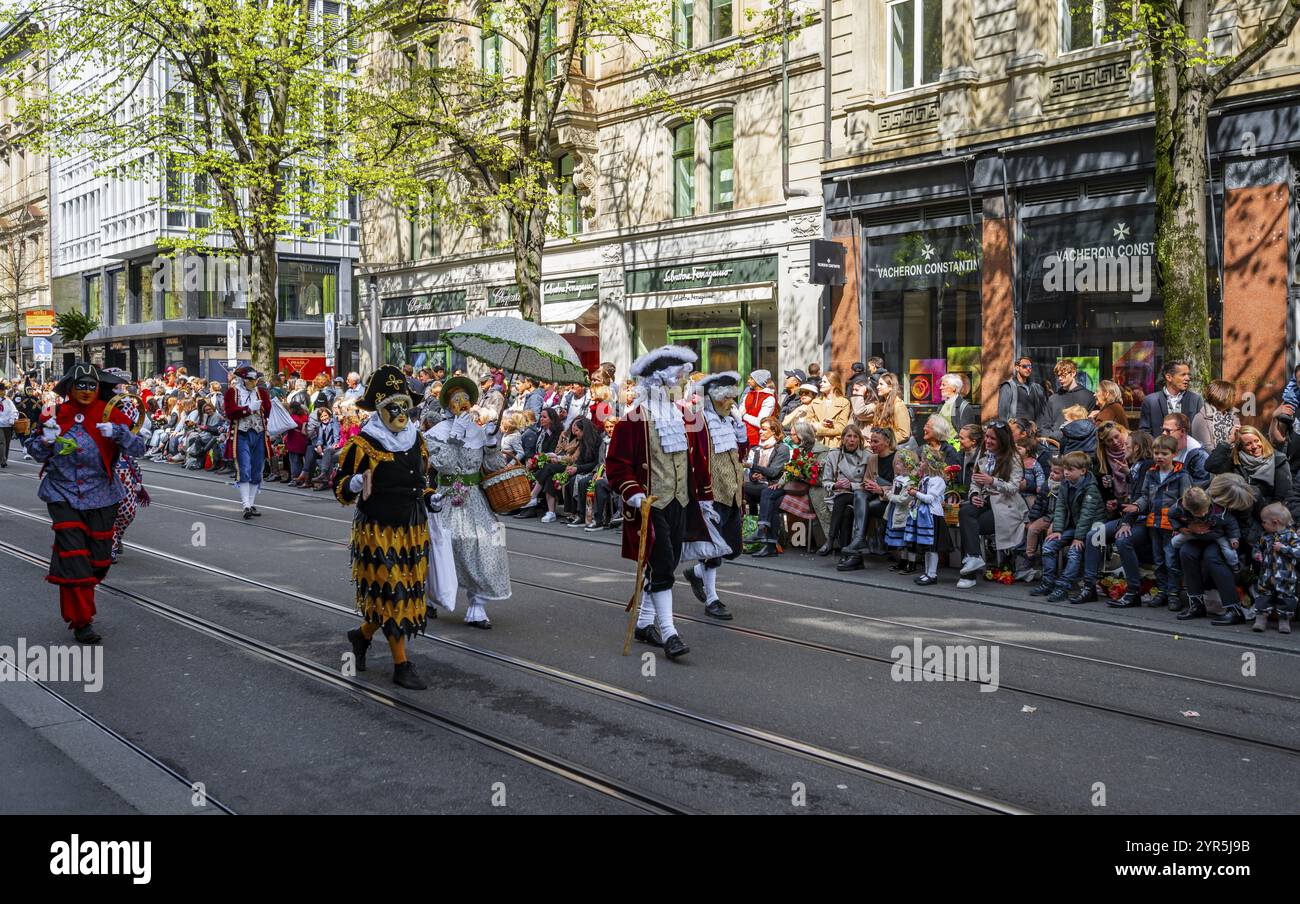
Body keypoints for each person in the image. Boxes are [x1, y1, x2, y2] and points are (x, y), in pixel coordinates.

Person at [15, 363, 150, 644]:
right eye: (80, 385)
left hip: (102, 496)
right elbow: (36, 451)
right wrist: (45, 440)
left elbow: (139, 449)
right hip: (62, 494)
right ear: (70, 388)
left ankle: (86, 590)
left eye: (92, 385)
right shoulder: (55, 414)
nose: (86, 391)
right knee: (73, 559)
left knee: (97, 562)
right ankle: (81, 621)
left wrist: (120, 433)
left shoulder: (110, 412)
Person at [606, 345, 712, 660]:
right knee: (664, 564)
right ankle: (669, 633)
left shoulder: (684, 417)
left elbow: (697, 460)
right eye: (679, 379)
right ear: (660, 383)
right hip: (650, 504)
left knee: (665, 562)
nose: (684, 385)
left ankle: (643, 624)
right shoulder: (633, 420)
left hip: (680, 501)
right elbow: (616, 465)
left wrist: (704, 498)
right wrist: (633, 492)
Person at [337, 365, 435, 690]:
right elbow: (338, 487)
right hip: (378, 529)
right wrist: (353, 482)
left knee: (402, 595)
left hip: (412, 529)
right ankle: (401, 665)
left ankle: (361, 635)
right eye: (393, 407)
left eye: (404, 406)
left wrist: (431, 496)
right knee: (393, 594)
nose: (400, 413)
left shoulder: (415, 439)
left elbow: (424, 476)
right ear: (379, 410)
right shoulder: (365, 443)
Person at [424, 375, 514, 630]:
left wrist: (492, 444)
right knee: (444, 547)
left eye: (465, 398)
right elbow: (444, 465)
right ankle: (433, 595)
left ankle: (477, 607)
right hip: (446, 498)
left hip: (474, 499)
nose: (462, 403)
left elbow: (493, 467)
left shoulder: (478, 430)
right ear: (447, 405)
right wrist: (454, 438)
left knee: (484, 547)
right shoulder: (435, 434)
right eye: (456, 399)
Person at [681, 372, 748, 620]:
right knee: (712, 551)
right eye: (727, 398)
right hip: (712, 493)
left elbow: (739, 454)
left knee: (732, 549)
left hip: (732, 492)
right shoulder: (700, 423)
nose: (732, 402)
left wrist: (740, 429)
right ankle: (712, 599)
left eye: (733, 398)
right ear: (714, 399)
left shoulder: (729, 421)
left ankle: (696, 574)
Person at [1112, 434, 1189, 610]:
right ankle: (1162, 591)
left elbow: (1186, 500)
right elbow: (1145, 496)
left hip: (1172, 526)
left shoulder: (1181, 475)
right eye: (1156, 453)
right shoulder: (1151, 473)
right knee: (1159, 561)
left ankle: (1174, 594)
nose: (1160, 457)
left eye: (1164, 453)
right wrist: (1136, 507)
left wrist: (1181, 521)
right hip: (1154, 524)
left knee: (1171, 561)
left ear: (1174, 454)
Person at [955, 422, 1028, 589]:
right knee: (965, 510)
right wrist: (974, 495)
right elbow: (975, 483)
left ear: (1002, 440)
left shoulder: (1013, 457)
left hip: (1006, 505)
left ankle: (970, 573)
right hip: (986, 501)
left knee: (969, 525)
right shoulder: (983, 456)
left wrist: (992, 481)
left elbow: (1013, 488)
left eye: (992, 438)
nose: (987, 441)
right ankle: (973, 558)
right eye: (986, 436)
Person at [1030, 452, 1104, 603]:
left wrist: (1078, 538)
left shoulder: (1091, 488)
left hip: (1091, 528)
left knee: (1074, 552)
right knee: (1049, 546)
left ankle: (1063, 587)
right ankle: (1048, 582)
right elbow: (1061, 508)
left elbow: (1087, 515)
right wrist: (1057, 530)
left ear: (1082, 471)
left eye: (1070, 470)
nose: (1066, 473)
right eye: (1065, 469)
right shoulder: (1065, 484)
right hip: (1073, 525)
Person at [1206, 424, 1295, 538]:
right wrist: (1228, 442)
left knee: (1253, 492)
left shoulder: (1278, 460)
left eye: (1256, 441)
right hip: (1235, 513)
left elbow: (1282, 497)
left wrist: (1268, 520)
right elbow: (1210, 467)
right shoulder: (1236, 460)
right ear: (1241, 447)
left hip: (1264, 515)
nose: (1254, 446)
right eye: (1248, 444)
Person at [223, 366, 272, 519]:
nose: (253, 382)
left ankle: (250, 504)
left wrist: (263, 408)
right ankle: (246, 505)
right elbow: (230, 412)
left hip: (259, 433)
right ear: (243, 380)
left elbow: (268, 411)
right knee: (244, 468)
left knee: (257, 469)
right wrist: (247, 409)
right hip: (241, 433)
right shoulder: (232, 392)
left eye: (255, 379)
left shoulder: (262, 392)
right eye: (250, 379)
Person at [1249, 502, 1298, 634]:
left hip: (1285, 575)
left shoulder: (1291, 536)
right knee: (1263, 594)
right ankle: (1261, 618)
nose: (1262, 524)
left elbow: (1298, 551)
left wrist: (1284, 548)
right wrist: (1257, 554)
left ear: (1275, 522)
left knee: (1286, 597)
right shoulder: (1265, 536)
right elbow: (1257, 548)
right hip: (1266, 574)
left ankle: (1284, 619)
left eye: (1264, 522)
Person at [905, 448, 949, 586]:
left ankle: (932, 573)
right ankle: (926, 572)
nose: (920, 463)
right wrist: (915, 499)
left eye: (923, 461)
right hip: (924, 516)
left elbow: (930, 498)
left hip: (932, 516)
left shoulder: (938, 481)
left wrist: (915, 494)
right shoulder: (926, 479)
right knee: (926, 547)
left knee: (932, 547)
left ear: (930, 463)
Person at [1139, 359, 1204, 436]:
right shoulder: (1151, 401)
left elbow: (1201, 432)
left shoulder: (1196, 400)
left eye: (1188, 375)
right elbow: (1144, 432)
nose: (1187, 378)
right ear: (1169, 377)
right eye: (1183, 375)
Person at [882, 449, 919, 575]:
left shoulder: (911, 481)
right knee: (901, 541)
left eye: (898, 463)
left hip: (906, 514)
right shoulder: (898, 479)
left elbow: (904, 499)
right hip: (896, 511)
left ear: (907, 465)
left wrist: (890, 496)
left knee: (908, 540)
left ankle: (912, 563)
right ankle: (903, 561)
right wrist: (891, 494)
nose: (895, 465)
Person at [744, 415, 789, 516]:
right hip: (757, 485)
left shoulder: (782, 449)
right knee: (741, 490)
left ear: (773, 431)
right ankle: (751, 522)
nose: (760, 431)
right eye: (760, 428)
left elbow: (773, 472)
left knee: (743, 488)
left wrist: (751, 466)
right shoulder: (756, 449)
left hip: (773, 486)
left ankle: (761, 524)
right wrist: (753, 476)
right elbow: (751, 474)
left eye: (764, 429)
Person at [1045, 360, 1095, 439]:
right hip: (1056, 446)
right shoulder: (1053, 399)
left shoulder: (1089, 397)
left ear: (1073, 373)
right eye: (1058, 376)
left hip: (1081, 445)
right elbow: (1044, 426)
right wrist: (1056, 436)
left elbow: (1091, 426)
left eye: (1063, 375)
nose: (1060, 379)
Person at [1190, 379, 1240, 453]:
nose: (1234, 398)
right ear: (1222, 396)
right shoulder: (1201, 418)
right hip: (1211, 462)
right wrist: (1229, 441)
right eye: (1232, 395)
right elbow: (1205, 448)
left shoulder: (1233, 417)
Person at [997, 355, 1047, 424]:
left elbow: (1042, 413)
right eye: (1024, 366)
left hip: (1033, 430)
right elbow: (1002, 415)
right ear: (1017, 368)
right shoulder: (1008, 386)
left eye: (1030, 367)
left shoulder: (1035, 387)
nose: (1028, 369)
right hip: (1015, 430)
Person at [870, 372, 912, 445]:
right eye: (878, 384)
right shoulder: (881, 404)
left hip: (895, 450)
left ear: (890, 387)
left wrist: (883, 439)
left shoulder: (898, 405)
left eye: (881, 384)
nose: (877, 387)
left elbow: (904, 434)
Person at [810, 374, 851, 448]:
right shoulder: (815, 402)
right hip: (816, 444)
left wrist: (819, 427)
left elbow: (842, 428)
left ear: (833, 384)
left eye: (824, 382)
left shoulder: (844, 402)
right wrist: (824, 425)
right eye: (821, 381)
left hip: (835, 445)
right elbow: (808, 423)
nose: (821, 384)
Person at [740, 369, 776, 446]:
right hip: (743, 438)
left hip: (759, 440)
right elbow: (739, 414)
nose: (748, 381)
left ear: (758, 380)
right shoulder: (748, 395)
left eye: (751, 378)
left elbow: (760, 422)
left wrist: (744, 415)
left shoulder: (769, 398)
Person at [0, 383, 17, 468]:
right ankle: (2, 461)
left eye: (3, 390)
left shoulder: (8, 401)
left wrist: (12, 419)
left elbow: (14, 411)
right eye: (1, 390)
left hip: (8, 425)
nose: (3, 392)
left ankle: (5, 458)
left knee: (7, 443)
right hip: (0, 425)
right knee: (2, 442)